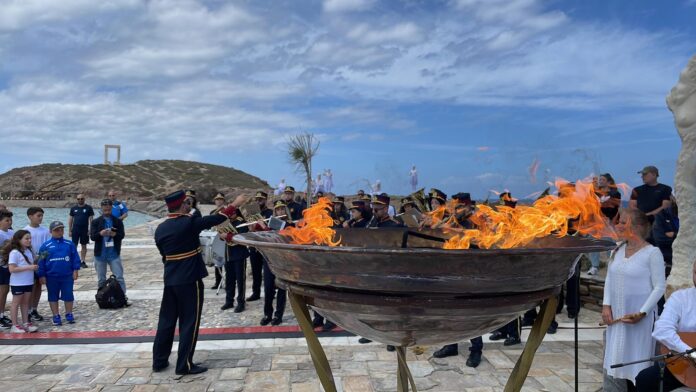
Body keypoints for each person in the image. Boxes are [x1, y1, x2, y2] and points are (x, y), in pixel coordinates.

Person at [152, 190, 246, 376]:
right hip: (189, 279)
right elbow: (216, 219)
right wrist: (235, 203)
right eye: (187, 203)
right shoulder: (188, 223)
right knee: (189, 322)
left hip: (170, 279)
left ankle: (159, 361)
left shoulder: (160, 229)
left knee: (166, 321)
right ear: (182, 205)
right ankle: (184, 364)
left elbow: (164, 256)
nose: (189, 206)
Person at [602, 208, 666, 390]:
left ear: (637, 226)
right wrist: (606, 305)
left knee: (637, 364)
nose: (618, 225)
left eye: (623, 222)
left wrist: (642, 312)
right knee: (615, 363)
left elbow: (659, 287)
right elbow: (609, 278)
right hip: (617, 318)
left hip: (639, 321)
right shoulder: (617, 249)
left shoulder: (652, 253)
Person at [430, 192, 485, 368]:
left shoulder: (478, 219)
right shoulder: (454, 220)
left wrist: (449, 228)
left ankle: (476, 350)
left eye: (460, 207)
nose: (457, 210)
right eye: (456, 207)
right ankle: (451, 344)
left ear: (468, 206)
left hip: (472, 273)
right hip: (452, 271)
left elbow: (476, 236)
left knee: (471, 314)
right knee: (450, 312)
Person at [635, 262, 696, 391]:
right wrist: (690, 353)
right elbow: (662, 330)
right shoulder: (680, 298)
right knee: (645, 379)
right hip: (684, 365)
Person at [37, 221, 81, 326]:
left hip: (67, 275)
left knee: (68, 295)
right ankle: (56, 315)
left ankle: (69, 313)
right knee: (53, 296)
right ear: (51, 231)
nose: (59, 232)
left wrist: (75, 270)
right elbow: (41, 261)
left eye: (61, 229)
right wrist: (41, 275)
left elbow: (75, 258)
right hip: (51, 276)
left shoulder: (69, 244)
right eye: (56, 230)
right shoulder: (46, 246)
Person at [90, 199, 129, 305]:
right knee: (101, 279)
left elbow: (122, 236)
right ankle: (102, 299)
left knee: (119, 277)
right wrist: (100, 233)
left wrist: (114, 235)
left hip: (114, 254)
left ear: (111, 207)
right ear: (101, 208)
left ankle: (122, 298)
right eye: (104, 207)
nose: (106, 209)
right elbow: (93, 237)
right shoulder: (95, 222)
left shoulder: (118, 221)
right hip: (100, 255)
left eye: (108, 207)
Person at [259, 200, 291, 326]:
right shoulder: (271, 223)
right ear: (275, 211)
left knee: (282, 288)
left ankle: (278, 315)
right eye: (278, 209)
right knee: (268, 288)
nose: (280, 211)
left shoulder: (289, 225)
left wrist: (264, 227)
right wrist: (257, 225)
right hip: (269, 259)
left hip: (282, 260)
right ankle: (267, 314)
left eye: (282, 209)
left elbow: (280, 235)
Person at [4, 230, 39, 333]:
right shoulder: (14, 253)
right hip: (18, 283)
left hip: (28, 281)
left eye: (30, 238)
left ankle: (25, 323)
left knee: (25, 303)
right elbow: (12, 269)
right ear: (19, 240)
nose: (29, 240)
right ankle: (14, 325)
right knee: (16, 303)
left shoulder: (28, 251)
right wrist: (29, 267)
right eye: (26, 238)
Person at [587, 173, 622, 275]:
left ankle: (612, 267)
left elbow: (611, 207)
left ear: (608, 181)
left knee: (609, 245)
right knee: (593, 244)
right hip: (595, 222)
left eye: (602, 179)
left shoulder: (615, 194)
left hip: (608, 222)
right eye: (599, 179)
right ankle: (594, 266)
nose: (600, 181)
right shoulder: (596, 193)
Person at [220, 208, 249, 313]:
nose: (230, 214)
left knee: (240, 280)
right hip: (228, 253)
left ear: (236, 213)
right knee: (229, 279)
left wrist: (227, 235)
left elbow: (242, 236)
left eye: (231, 213)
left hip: (239, 254)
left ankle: (241, 302)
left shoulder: (241, 222)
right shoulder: (226, 222)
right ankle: (229, 301)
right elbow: (221, 235)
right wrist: (221, 235)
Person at [23, 207, 50, 322]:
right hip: (30, 263)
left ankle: (34, 309)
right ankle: (27, 310)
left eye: (42, 216)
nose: (41, 218)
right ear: (30, 216)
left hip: (42, 262)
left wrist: (41, 258)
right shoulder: (25, 231)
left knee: (38, 286)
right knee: (31, 287)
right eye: (38, 215)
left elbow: (48, 247)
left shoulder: (45, 231)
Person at [247, 191, 273, 301]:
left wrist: (262, 224)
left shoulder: (270, 212)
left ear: (265, 200)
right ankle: (255, 292)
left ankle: (271, 291)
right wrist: (252, 226)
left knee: (268, 271)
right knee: (255, 270)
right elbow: (251, 230)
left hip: (266, 245)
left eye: (261, 199)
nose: (258, 201)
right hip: (254, 244)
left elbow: (270, 230)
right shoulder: (253, 213)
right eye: (257, 199)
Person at [68, 194, 94, 269]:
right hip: (75, 229)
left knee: (84, 245)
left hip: (84, 230)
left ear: (84, 199)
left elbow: (91, 220)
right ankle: (75, 261)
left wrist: (90, 229)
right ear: (77, 199)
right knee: (74, 245)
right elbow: (70, 220)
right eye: (78, 199)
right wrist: (70, 230)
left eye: (81, 199)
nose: (80, 200)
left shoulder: (89, 208)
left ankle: (83, 261)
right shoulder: (73, 208)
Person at [0, 209, 14, 329]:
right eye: (7, 220)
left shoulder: (10, 233)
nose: (9, 222)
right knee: (2, 292)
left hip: (8, 266)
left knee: (5, 292)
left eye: (10, 220)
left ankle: (2, 314)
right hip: (1, 266)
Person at [209, 193, 226, 290]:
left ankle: (229, 282)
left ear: (223, 201)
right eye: (217, 199)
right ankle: (218, 281)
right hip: (215, 237)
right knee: (217, 260)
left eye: (221, 199)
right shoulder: (212, 212)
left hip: (224, 237)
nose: (219, 201)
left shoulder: (226, 211)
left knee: (227, 262)